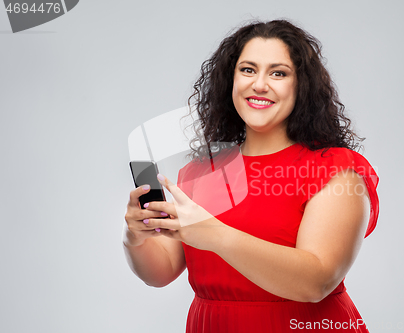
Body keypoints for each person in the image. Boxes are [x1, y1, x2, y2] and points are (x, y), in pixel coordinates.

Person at [124, 19, 379, 332]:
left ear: (301, 86)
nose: (259, 84)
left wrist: (214, 234)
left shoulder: (336, 170)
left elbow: (317, 281)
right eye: (248, 69)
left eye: (278, 73)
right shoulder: (203, 173)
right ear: (230, 80)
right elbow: (160, 272)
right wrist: (136, 236)